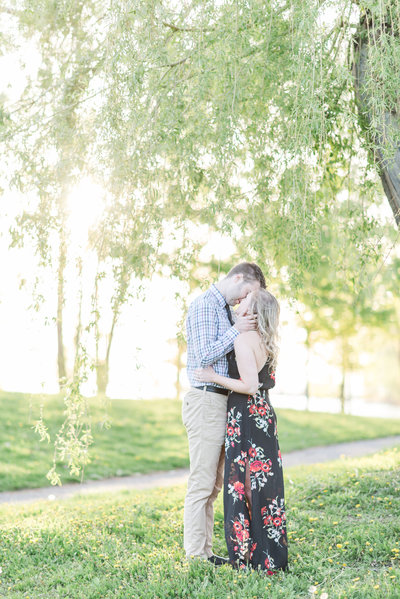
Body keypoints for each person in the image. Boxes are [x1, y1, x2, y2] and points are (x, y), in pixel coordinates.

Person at [195, 288, 288, 572]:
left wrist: (213, 377)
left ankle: (248, 558)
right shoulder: (266, 340)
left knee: (244, 485)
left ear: (252, 311)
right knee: (261, 484)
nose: (240, 301)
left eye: (246, 300)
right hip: (263, 415)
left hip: (246, 416)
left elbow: (248, 385)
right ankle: (268, 556)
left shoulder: (244, 339)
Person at [182, 262, 266, 564]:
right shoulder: (206, 305)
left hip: (220, 402)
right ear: (239, 278)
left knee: (214, 484)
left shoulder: (223, 308)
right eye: (247, 292)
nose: (243, 300)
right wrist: (236, 331)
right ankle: (195, 555)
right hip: (205, 400)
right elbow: (203, 356)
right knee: (202, 482)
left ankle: (204, 551)